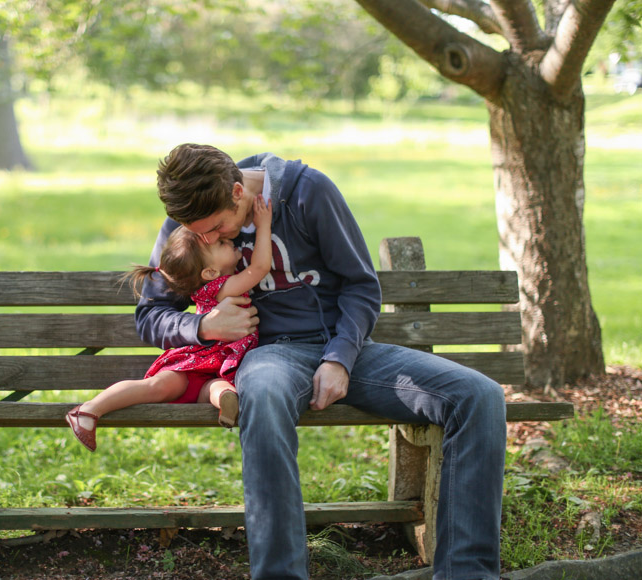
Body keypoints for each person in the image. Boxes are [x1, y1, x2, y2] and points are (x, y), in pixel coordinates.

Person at [135, 144, 507, 580]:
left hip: (346, 348)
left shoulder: (308, 192)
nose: (207, 240)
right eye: (199, 233)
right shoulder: (189, 222)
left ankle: (468, 573)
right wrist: (205, 328)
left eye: (216, 229)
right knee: (264, 398)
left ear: (238, 192)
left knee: (478, 396)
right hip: (268, 356)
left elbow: (361, 287)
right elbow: (150, 315)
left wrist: (339, 360)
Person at [65, 195, 273, 452]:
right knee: (158, 386)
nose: (227, 239)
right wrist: (264, 225)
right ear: (210, 273)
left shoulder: (216, 282)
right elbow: (261, 266)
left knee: (218, 387)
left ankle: (226, 402)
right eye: (220, 243)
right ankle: (88, 410)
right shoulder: (223, 287)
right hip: (197, 361)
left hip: (218, 367)